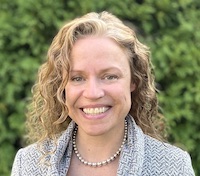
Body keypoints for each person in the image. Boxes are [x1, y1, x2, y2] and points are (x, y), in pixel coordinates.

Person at [11, 11, 195, 176]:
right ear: (62, 86)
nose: (93, 93)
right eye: (77, 78)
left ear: (134, 81)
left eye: (109, 76)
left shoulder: (174, 167)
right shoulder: (28, 164)